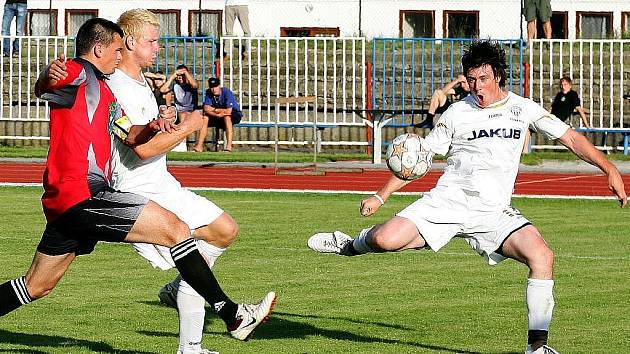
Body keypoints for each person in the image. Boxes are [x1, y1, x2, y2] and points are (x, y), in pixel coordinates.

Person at [307, 40, 627, 354]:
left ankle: (537, 348)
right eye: (471, 79)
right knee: (384, 240)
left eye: (483, 79)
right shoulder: (456, 113)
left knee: (542, 257)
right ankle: (348, 244)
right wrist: (381, 195)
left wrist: (608, 168)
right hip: (449, 201)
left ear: (498, 76)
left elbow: (570, 137)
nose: (477, 87)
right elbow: (419, 159)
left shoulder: (522, 108)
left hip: (493, 211)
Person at [0, 18, 274, 350]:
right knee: (176, 229)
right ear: (98, 48)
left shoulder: (104, 91)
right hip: (82, 193)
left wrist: (155, 125)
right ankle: (231, 314)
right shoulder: (79, 72)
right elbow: (46, 85)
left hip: (71, 201)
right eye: (116, 50)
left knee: (37, 286)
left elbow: (129, 134)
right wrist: (48, 73)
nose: (119, 57)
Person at [106, 9, 275, 353]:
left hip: (159, 182)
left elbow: (149, 134)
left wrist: (166, 119)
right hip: (140, 190)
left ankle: (187, 315)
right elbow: (142, 150)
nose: (158, 48)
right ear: (130, 41)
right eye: (152, 41)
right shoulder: (118, 87)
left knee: (223, 230)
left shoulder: (139, 82)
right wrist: (189, 126)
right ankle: (213, 320)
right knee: (220, 232)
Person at [194, 77, 242, 152]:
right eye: (212, 87)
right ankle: (199, 146)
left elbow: (229, 111)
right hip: (217, 115)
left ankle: (228, 146)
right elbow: (206, 108)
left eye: (216, 86)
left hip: (234, 114)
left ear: (219, 86)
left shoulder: (226, 92)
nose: (214, 89)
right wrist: (216, 113)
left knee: (227, 117)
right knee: (205, 118)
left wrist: (215, 110)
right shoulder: (209, 93)